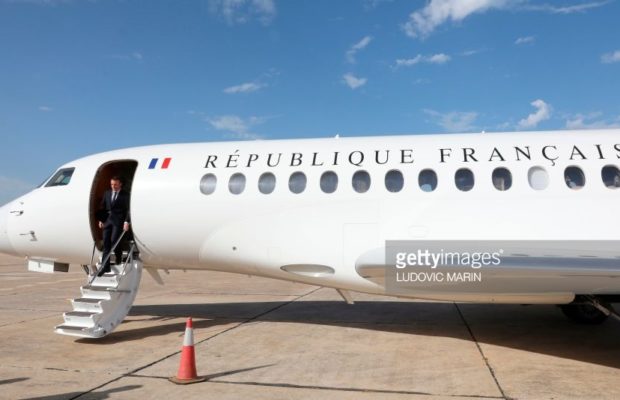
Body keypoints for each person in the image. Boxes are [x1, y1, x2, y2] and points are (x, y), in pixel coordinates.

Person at [98, 176, 131, 276]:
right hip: (108, 221)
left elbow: (128, 209)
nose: (113, 186)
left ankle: (118, 256)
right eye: (112, 184)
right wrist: (101, 219)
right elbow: (102, 206)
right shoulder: (107, 193)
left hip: (118, 221)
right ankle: (105, 267)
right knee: (106, 243)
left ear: (120, 184)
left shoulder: (125, 195)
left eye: (115, 184)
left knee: (114, 241)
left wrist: (126, 222)